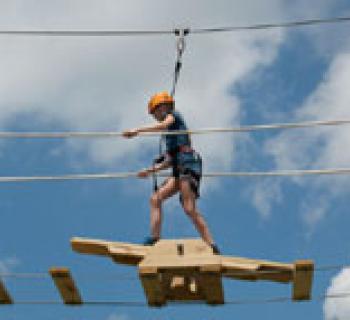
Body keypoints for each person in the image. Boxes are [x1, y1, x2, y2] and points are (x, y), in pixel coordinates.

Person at [123, 92, 220, 254]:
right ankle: (154, 238)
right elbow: (169, 161)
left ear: (164, 107)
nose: (155, 116)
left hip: (188, 164)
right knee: (155, 199)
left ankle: (212, 245)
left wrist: (137, 131)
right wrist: (150, 171)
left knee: (189, 209)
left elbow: (164, 125)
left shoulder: (173, 116)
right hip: (178, 168)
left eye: (155, 112)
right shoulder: (169, 136)